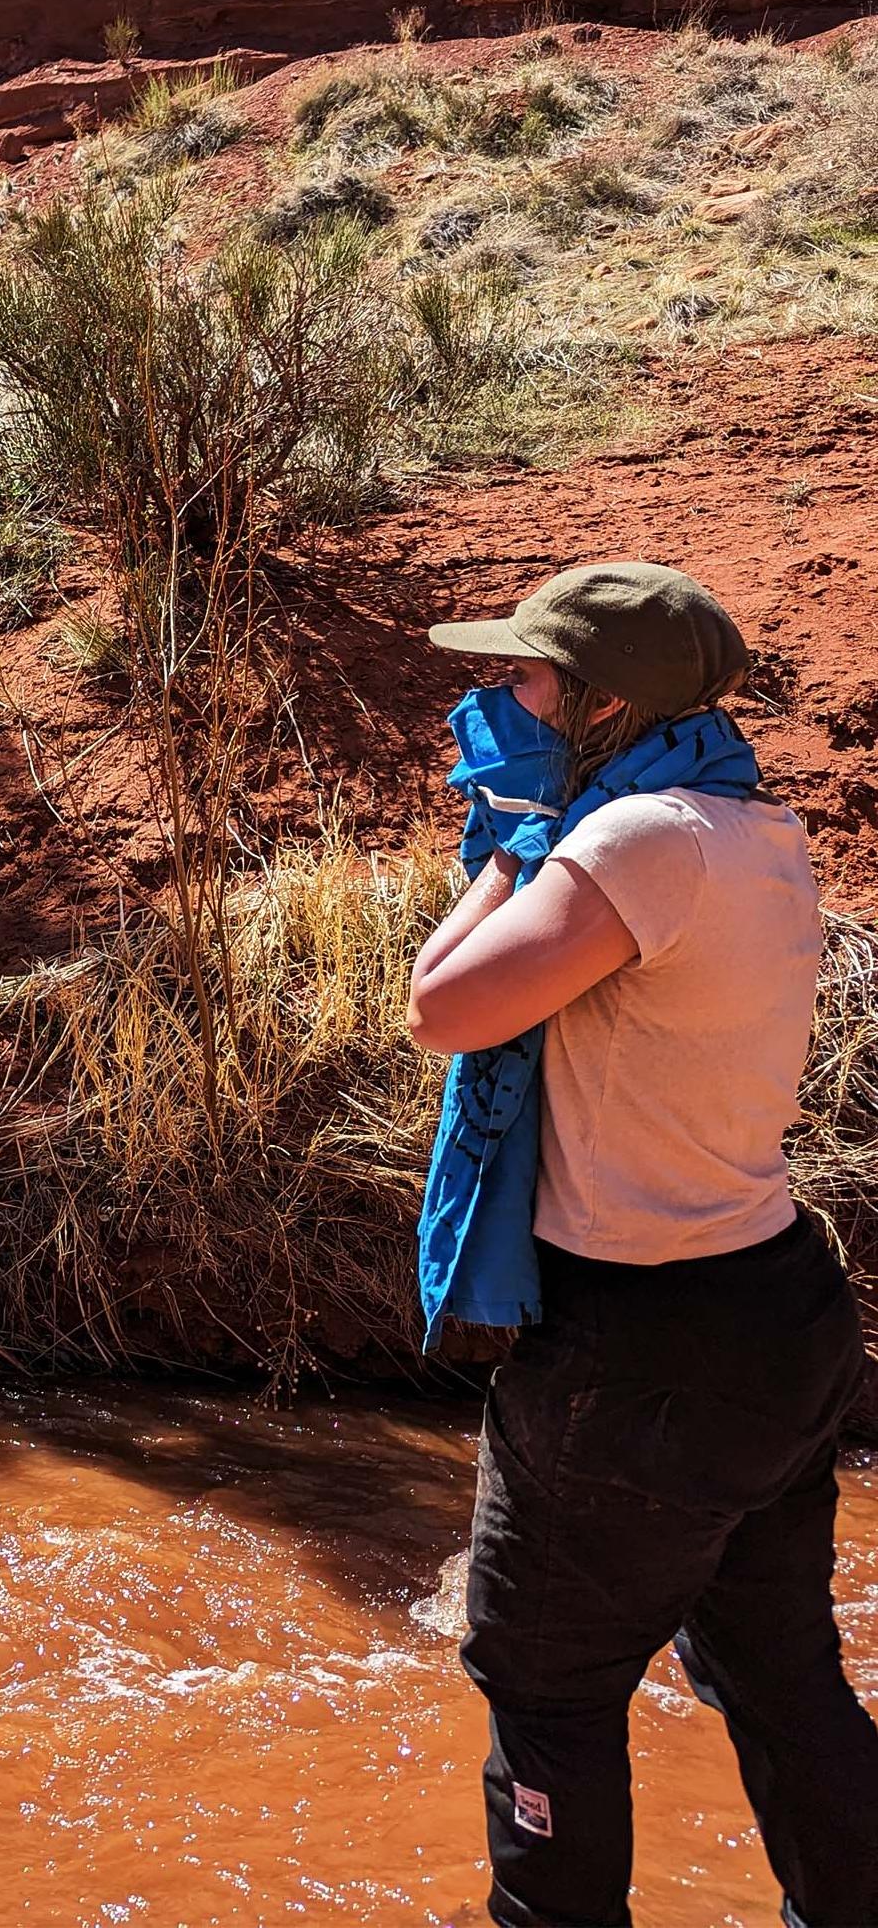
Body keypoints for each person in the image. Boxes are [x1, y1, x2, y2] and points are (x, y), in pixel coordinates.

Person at [405, 562, 878, 1928]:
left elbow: (447, 1007)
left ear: (602, 704)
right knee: (784, 1676)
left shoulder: (633, 842)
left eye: (529, 676)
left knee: (546, 1689)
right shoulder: (748, 822)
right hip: (771, 1305)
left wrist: (510, 840)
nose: (499, 694)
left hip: (645, 1341)